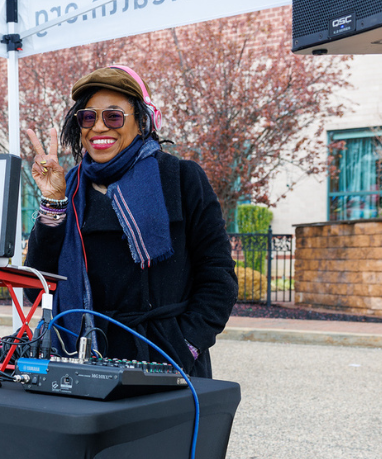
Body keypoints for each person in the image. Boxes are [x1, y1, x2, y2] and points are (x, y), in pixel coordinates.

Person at [24, 65, 238, 378]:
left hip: (166, 360)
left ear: (141, 121)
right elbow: (39, 285)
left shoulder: (181, 179)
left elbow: (218, 277)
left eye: (113, 116)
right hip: (84, 359)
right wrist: (54, 202)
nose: (99, 127)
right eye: (88, 117)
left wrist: (186, 345)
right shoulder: (67, 187)